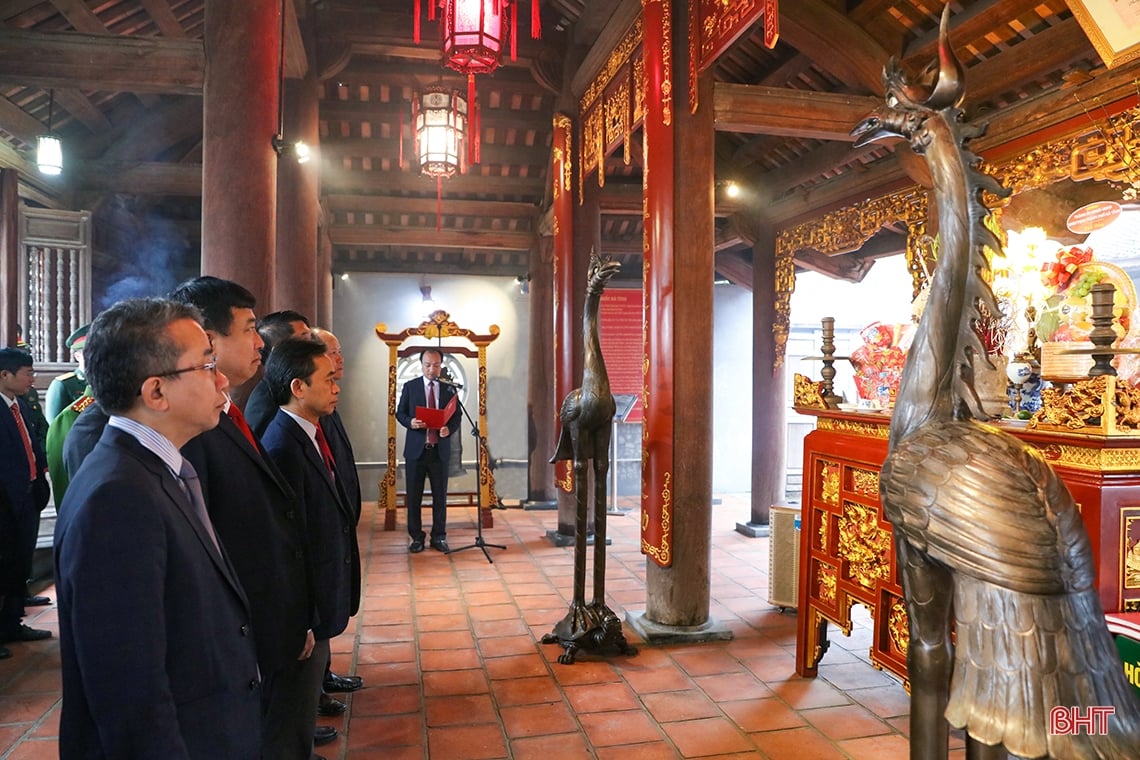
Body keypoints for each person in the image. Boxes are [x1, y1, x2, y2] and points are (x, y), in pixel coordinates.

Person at [54, 298, 261, 758]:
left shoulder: (157, 469)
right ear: (156, 393)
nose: (222, 379)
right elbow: (131, 691)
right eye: (207, 365)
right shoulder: (117, 497)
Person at [170, 276, 329, 758]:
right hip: (247, 630)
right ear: (207, 340)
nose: (260, 341)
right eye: (247, 329)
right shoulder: (192, 430)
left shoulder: (229, 411)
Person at [260, 338, 362, 750]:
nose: (337, 387)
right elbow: (287, 541)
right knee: (292, 701)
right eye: (328, 380)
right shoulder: (284, 444)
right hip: (304, 602)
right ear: (298, 387)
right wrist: (300, 615)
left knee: (303, 699)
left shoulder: (309, 432)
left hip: (319, 591)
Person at [311, 327, 364, 705]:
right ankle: (313, 689)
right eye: (332, 352)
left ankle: (322, 676)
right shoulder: (282, 427)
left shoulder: (327, 400)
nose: (339, 359)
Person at [0, 348, 53, 644]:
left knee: (20, 560)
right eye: (27, 373)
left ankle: (13, 618)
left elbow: (33, 443)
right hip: (7, 501)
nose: (32, 379)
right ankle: (6, 625)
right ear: (5, 375)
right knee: (7, 563)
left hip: (28, 494)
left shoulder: (19, 404)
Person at [395, 347, 460, 553]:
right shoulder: (411, 387)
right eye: (428, 365)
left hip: (439, 451)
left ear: (441, 365)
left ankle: (439, 536)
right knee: (414, 497)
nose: (432, 369)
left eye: (436, 365)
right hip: (416, 450)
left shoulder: (449, 389)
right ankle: (416, 537)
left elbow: (456, 416)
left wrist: (448, 429)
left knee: (440, 497)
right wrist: (410, 422)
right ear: (421, 364)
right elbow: (400, 413)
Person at [245, 310, 311, 437]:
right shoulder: (265, 405)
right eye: (306, 340)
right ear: (280, 351)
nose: (317, 346)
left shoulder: (305, 389)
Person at [44, 324, 90, 421]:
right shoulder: (63, 384)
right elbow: (55, 426)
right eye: (89, 353)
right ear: (77, 356)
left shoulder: (107, 381)